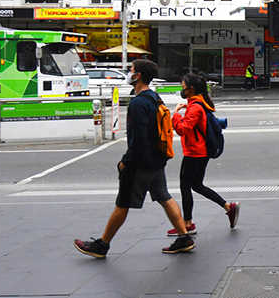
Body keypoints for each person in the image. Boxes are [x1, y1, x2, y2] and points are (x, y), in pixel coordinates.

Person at [74, 59, 194, 258]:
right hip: (157, 158)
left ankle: (102, 245)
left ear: (137, 76)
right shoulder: (154, 97)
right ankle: (184, 237)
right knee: (164, 197)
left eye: (131, 70)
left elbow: (138, 139)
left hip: (141, 163)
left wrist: (126, 162)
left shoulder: (139, 103)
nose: (129, 72)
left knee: (123, 203)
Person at [170, 74, 240, 236]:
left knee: (185, 187)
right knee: (197, 185)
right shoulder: (200, 103)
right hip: (201, 151)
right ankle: (228, 207)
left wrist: (176, 114)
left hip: (194, 152)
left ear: (191, 89)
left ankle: (187, 224)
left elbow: (182, 129)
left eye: (183, 87)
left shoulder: (195, 107)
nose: (182, 90)